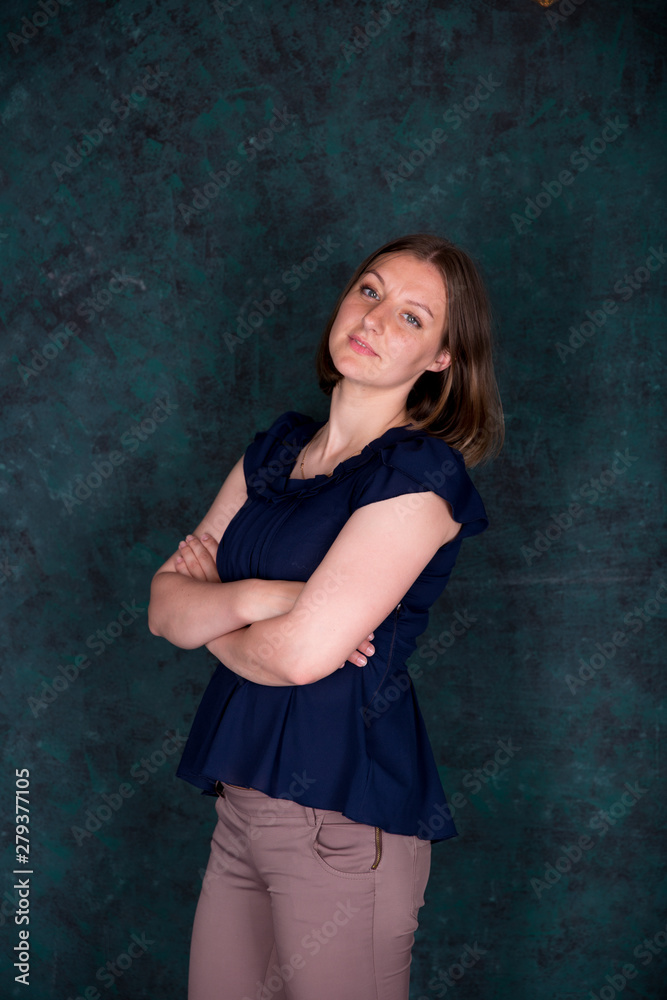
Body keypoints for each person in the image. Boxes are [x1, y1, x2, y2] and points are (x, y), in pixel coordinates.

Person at [148, 232, 504, 1000]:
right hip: (241, 807)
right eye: (369, 291)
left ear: (442, 359)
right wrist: (263, 601)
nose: (375, 319)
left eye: (413, 317)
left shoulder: (419, 472)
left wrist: (230, 616)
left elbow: (299, 658)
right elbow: (163, 608)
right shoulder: (275, 452)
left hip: (342, 821)